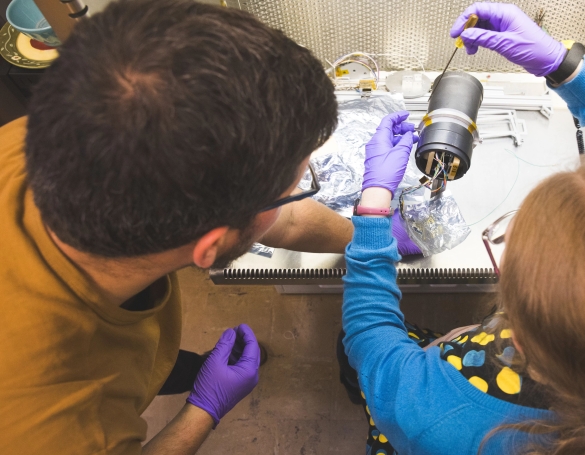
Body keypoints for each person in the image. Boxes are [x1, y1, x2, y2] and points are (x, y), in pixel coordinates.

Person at [0, 0, 409, 453]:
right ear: (210, 248)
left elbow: (278, 219)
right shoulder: (54, 426)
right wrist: (203, 409)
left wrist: (371, 237)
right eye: (298, 185)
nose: (299, 192)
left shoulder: (39, 134)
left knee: (164, 363)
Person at [339, 3, 585, 455]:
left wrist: (372, 207)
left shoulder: (434, 416)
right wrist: (565, 66)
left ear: (517, 337)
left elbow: (371, 339)